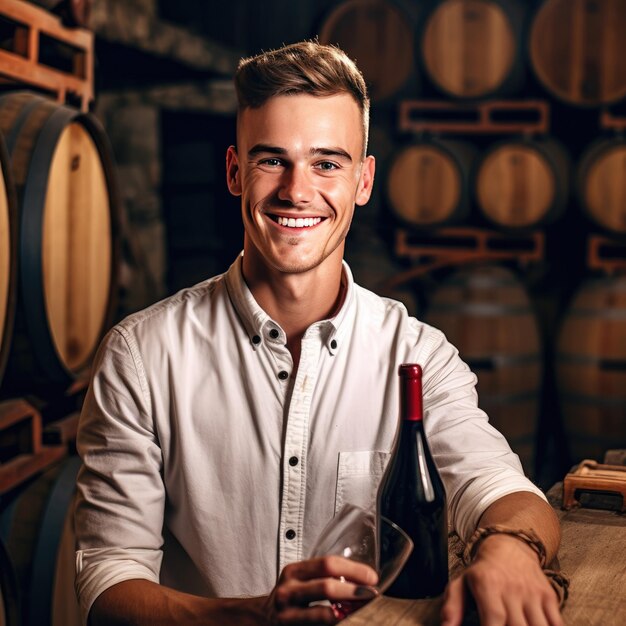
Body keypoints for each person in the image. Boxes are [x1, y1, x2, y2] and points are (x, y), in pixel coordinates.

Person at [75, 40, 564, 626]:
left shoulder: (418, 355)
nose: (296, 190)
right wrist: (256, 618)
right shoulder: (141, 356)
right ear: (235, 171)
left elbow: (500, 489)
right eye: (272, 159)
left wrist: (509, 549)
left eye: (327, 163)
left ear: (363, 180)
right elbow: (108, 583)